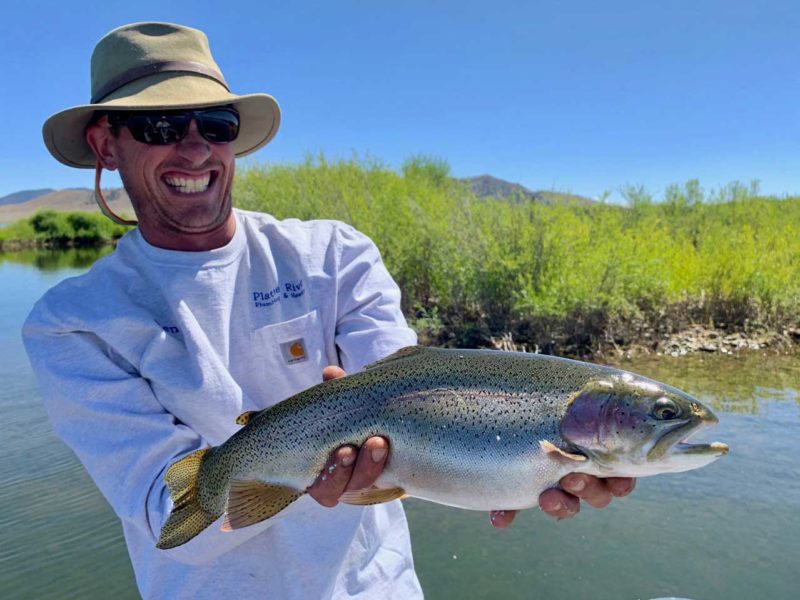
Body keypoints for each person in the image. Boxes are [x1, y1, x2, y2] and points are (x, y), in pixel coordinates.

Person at [23, 22, 635, 599]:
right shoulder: (73, 323)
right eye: (159, 126)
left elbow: (409, 409)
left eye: (215, 123)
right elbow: (170, 516)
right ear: (105, 144)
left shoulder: (333, 254)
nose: (195, 148)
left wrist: (515, 479)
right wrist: (296, 461)